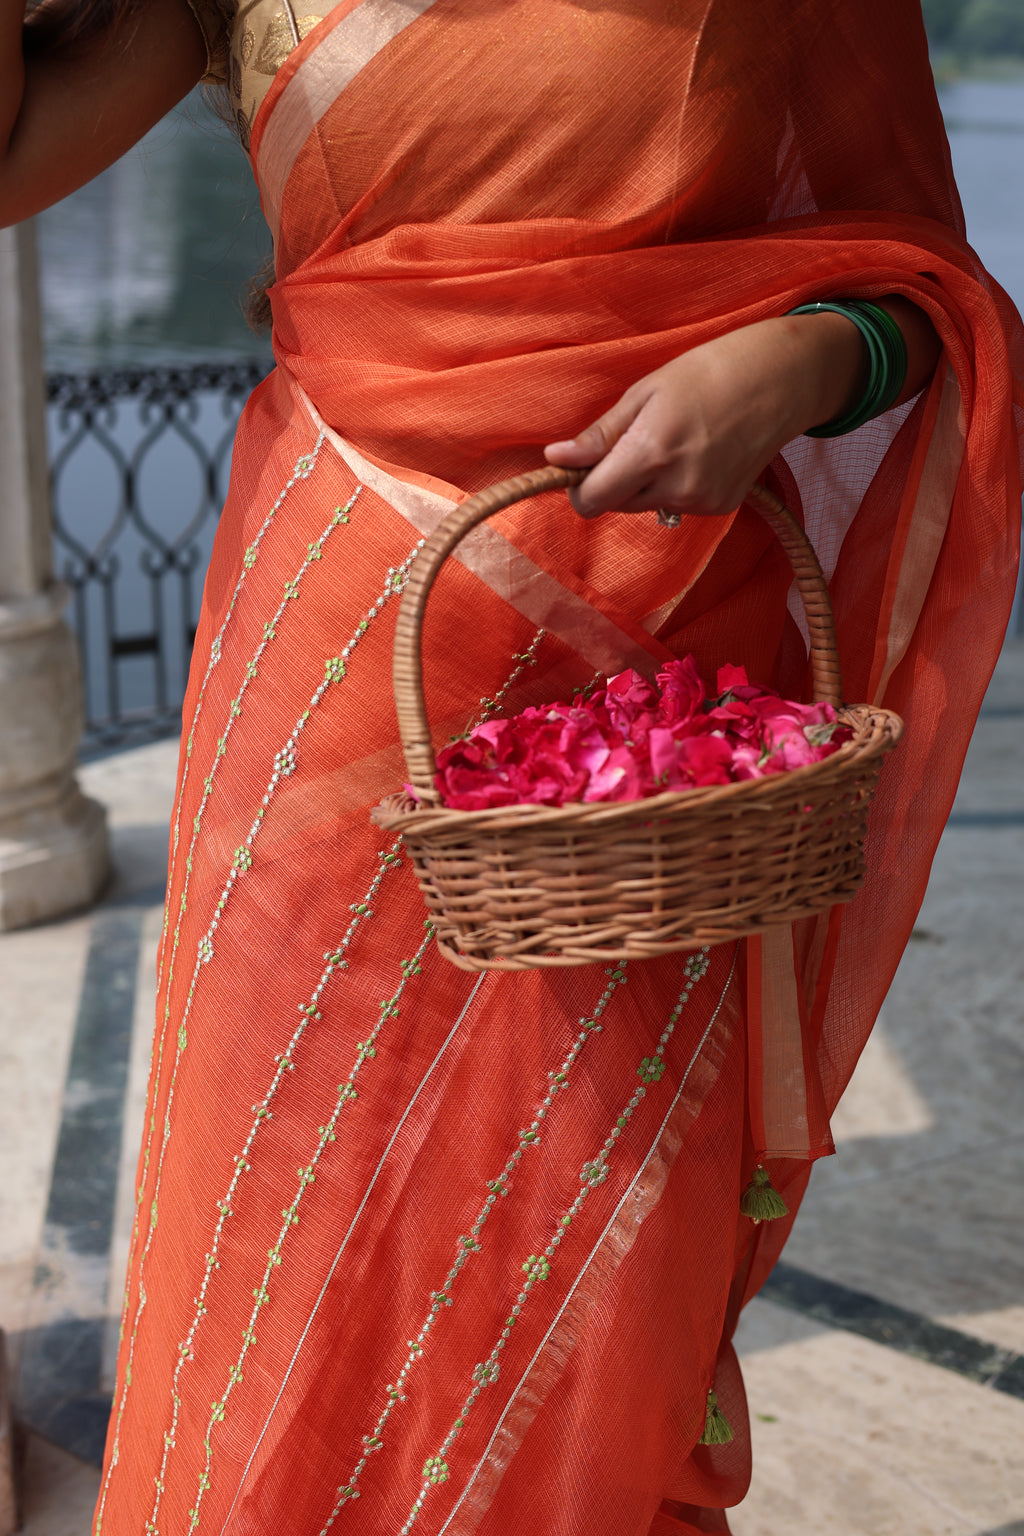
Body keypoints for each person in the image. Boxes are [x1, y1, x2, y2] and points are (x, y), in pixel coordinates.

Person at [4, 2, 1022, 1532]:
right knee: (294, 1231)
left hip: (657, 688)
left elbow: (921, 293)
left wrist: (800, 364)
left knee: (597, 1243)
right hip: (338, 672)